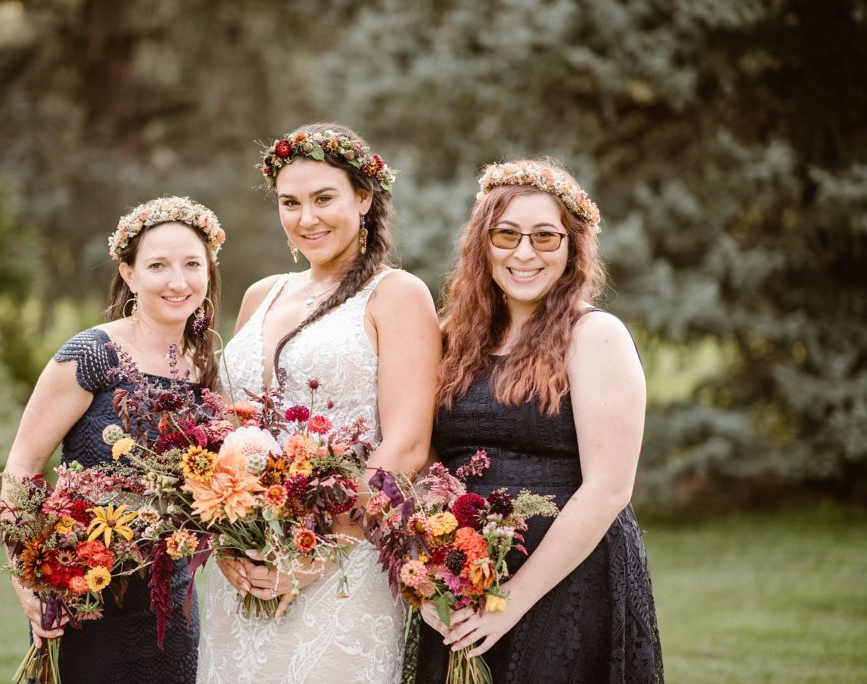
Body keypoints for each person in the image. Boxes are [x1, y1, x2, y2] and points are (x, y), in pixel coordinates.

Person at [197, 123, 441, 683]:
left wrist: (314, 554)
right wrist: (231, 542)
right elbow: (228, 428)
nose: (306, 218)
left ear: (364, 198)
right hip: (246, 567)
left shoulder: (397, 294)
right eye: (290, 203)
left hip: (343, 566)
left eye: (324, 198)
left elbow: (407, 445)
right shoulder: (262, 294)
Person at [415, 159, 664, 683]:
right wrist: (429, 577)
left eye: (545, 236)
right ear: (483, 244)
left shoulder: (595, 336)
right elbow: (425, 460)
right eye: (507, 234)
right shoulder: (451, 339)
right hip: (463, 583)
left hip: (569, 583)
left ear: (573, 247)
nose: (524, 253)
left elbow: (608, 489)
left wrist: (507, 602)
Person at [0, 196, 226, 683]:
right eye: (158, 265)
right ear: (129, 274)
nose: (178, 281)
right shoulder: (92, 354)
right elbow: (23, 464)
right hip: (84, 597)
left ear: (208, 271)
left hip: (171, 605)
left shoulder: (207, 366)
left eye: (192, 264)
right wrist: (26, 576)